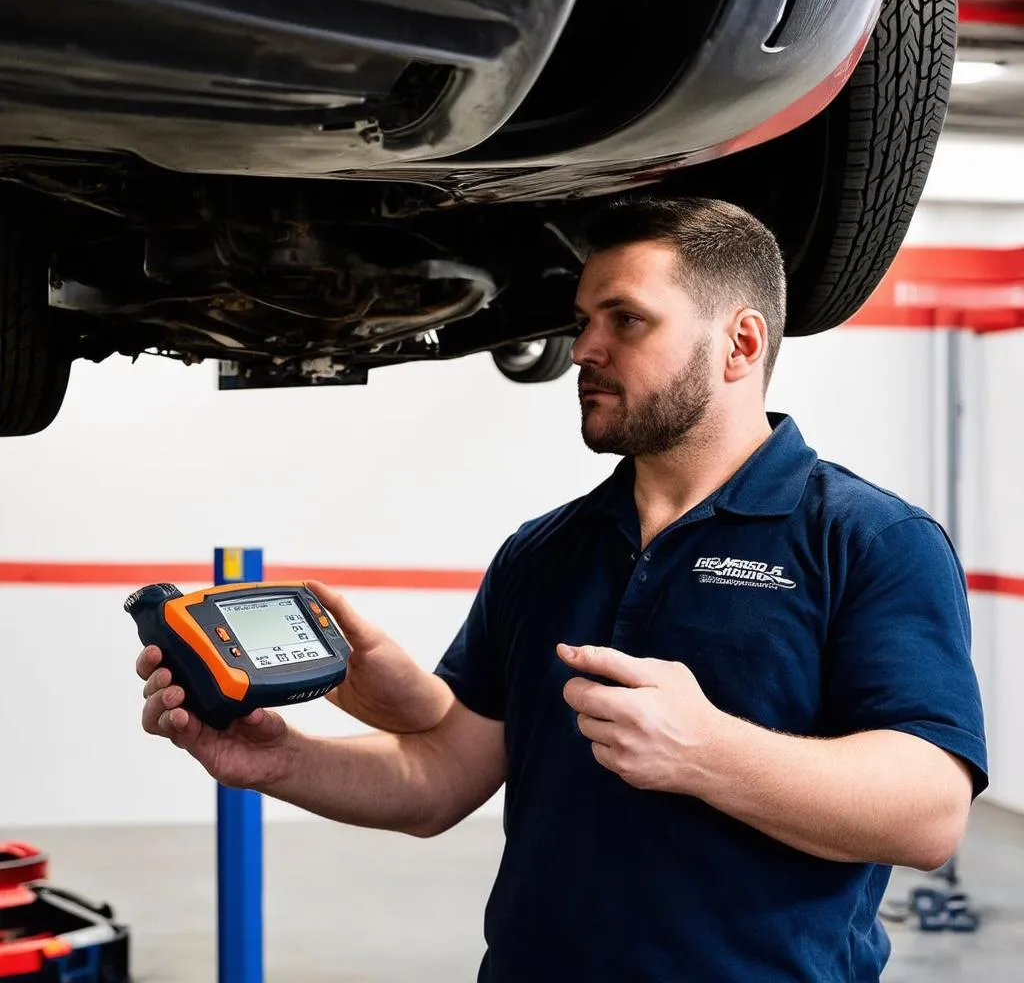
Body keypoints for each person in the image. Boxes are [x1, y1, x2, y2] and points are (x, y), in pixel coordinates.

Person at [137, 196, 988, 982]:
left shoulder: (870, 541)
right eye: (584, 321)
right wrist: (278, 759)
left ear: (740, 344)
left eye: (627, 320)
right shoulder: (543, 551)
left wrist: (707, 752)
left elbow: (927, 812)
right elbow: (441, 780)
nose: (583, 348)